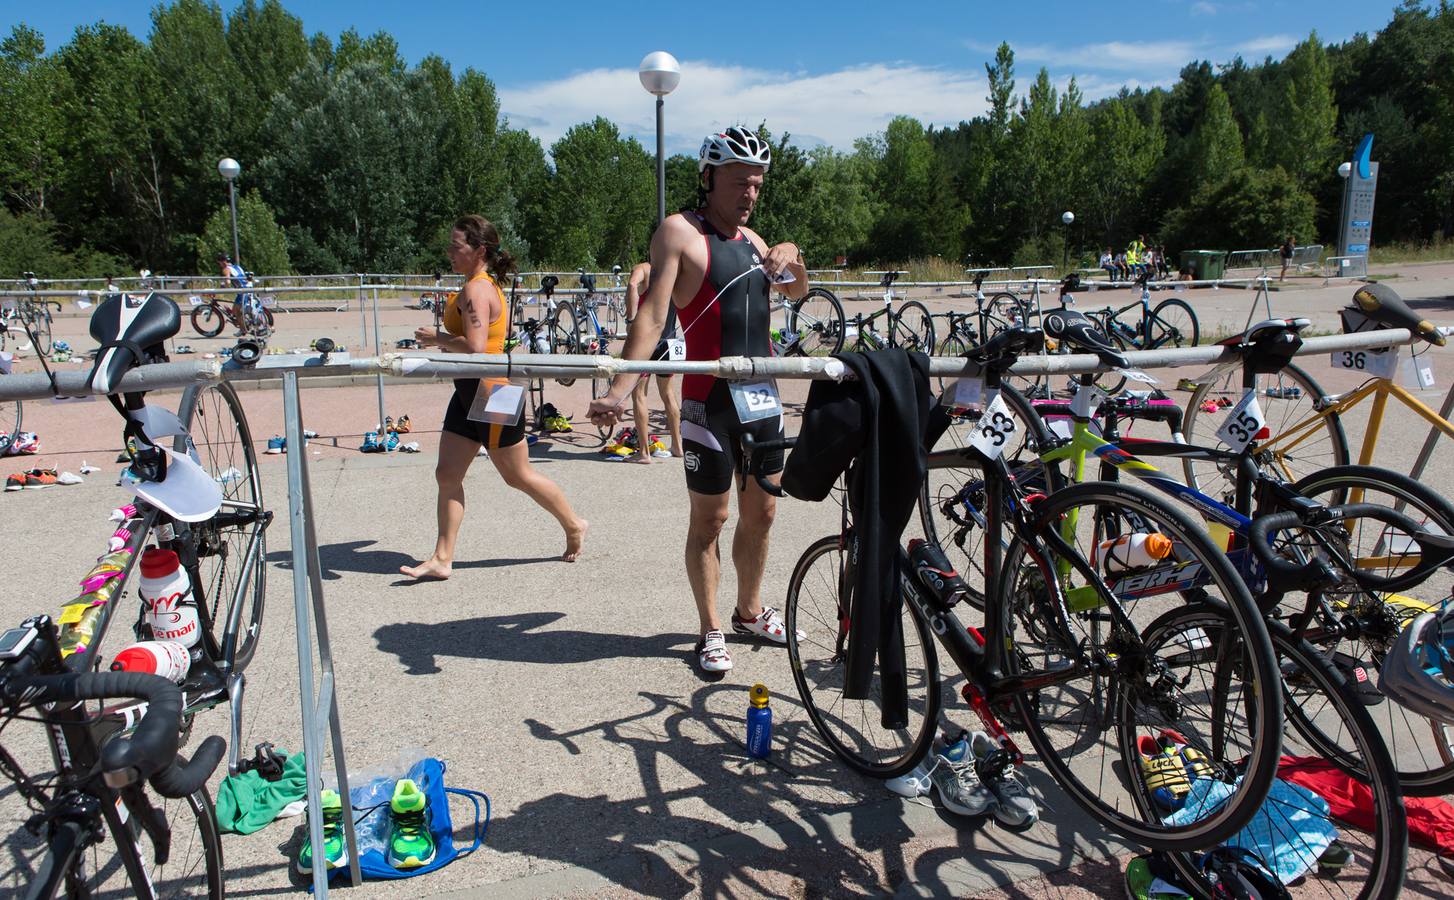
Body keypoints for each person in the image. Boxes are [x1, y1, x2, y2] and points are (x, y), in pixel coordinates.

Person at [586, 127, 809, 673]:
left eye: (756, 185)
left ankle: (749, 610)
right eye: (739, 183)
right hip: (708, 403)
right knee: (710, 520)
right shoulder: (679, 233)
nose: (749, 195)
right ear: (708, 178)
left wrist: (795, 259)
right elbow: (654, 314)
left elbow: (797, 294)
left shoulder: (757, 245)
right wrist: (619, 388)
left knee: (764, 513)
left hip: (763, 400)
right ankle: (710, 627)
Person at [401, 215, 588, 580]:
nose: (450, 253)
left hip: (492, 392)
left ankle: (574, 524)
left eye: (457, 247)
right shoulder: (472, 285)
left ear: (479, 250)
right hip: (467, 390)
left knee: (517, 475)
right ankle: (442, 558)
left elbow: (474, 346)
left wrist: (436, 338)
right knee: (447, 473)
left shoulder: (477, 289)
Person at [623, 261, 682, 463]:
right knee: (668, 394)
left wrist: (631, 321)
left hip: (646, 341)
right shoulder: (673, 271)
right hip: (669, 339)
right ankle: (677, 445)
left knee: (639, 395)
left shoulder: (645, 268)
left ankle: (644, 453)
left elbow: (632, 285)